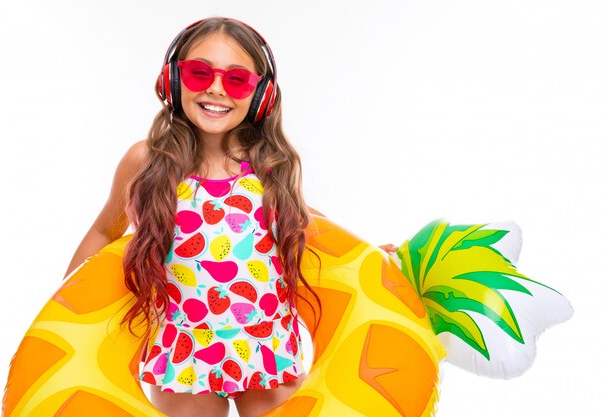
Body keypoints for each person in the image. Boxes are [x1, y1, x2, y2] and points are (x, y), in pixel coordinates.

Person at [63, 17, 397, 417]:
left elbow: (309, 226)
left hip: (265, 343)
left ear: (261, 96)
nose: (216, 89)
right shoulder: (147, 162)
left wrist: (367, 257)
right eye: (200, 73)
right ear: (173, 80)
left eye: (237, 80)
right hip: (186, 347)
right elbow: (104, 230)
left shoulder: (269, 165)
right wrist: (65, 308)